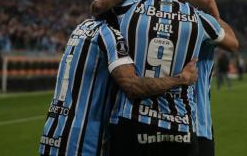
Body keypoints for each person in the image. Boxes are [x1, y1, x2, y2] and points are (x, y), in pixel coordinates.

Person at [91, 0, 238, 156]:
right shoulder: (198, 19)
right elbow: (230, 37)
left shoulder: (128, 9)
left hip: (135, 119)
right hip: (185, 123)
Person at [38, 17, 198, 156]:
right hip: (83, 141)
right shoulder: (110, 34)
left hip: (53, 133)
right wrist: (180, 79)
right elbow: (132, 86)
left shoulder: (82, 27)